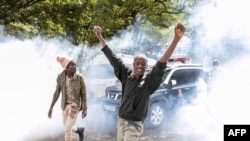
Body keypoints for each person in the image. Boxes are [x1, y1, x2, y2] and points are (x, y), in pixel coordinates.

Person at [93, 23, 185, 141]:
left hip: (133, 126)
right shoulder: (126, 75)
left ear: (147, 66)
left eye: (143, 63)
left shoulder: (149, 81)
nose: (140, 66)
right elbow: (112, 57)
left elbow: (162, 62)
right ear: (133, 64)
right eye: (137, 63)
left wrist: (176, 39)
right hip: (121, 122)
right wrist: (100, 37)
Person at [48, 56, 87, 141]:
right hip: (64, 105)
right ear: (66, 68)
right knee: (67, 126)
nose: (74, 67)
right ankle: (79, 130)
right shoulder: (61, 76)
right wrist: (51, 107)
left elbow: (83, 93)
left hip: (75, 106)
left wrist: (85, 107)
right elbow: (57, 92)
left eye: (75, 65)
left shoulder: (79, 78)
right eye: (71, 66)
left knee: (67, 128)